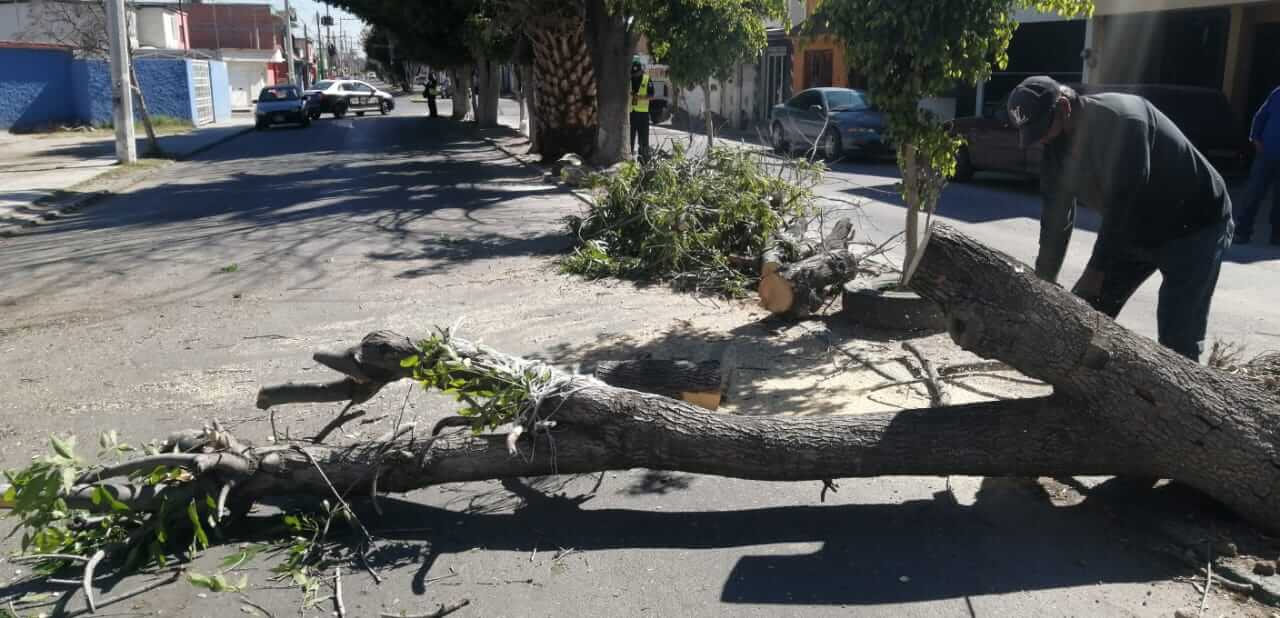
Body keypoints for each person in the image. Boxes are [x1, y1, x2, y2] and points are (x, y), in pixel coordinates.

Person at [1008, 75, 1233, 361]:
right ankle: (1090, 393)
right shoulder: (1055, 148)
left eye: (1042, 129)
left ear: (1064, 107)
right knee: (1087, 317)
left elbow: (1123, 202)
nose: (1041, 139)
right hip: (1136, 228)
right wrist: (1044, 281)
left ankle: (1183, 401)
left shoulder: (1124, 121)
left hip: (1196, 225)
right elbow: (1055, 217)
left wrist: (1095, 271)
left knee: (1178, 339)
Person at [1236, 85, 1280, 245]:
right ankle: (1242, 232)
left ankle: (1277, 235)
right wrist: (1255, 139)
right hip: (1266, 156)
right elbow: (1259, 117)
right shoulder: (1277, 94)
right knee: (1253, 194)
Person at [630, 57, 655, 162]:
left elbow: (652, 95)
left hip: (643, 114)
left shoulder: (646, 78)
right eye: (633, 73)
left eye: (637, 73)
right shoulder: (629, 79)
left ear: (641, 70)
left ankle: (643, 162)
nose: (635, 75)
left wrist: (639, 97)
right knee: (629, 139)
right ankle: (628, 162)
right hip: (631, 113)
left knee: (643, 140)